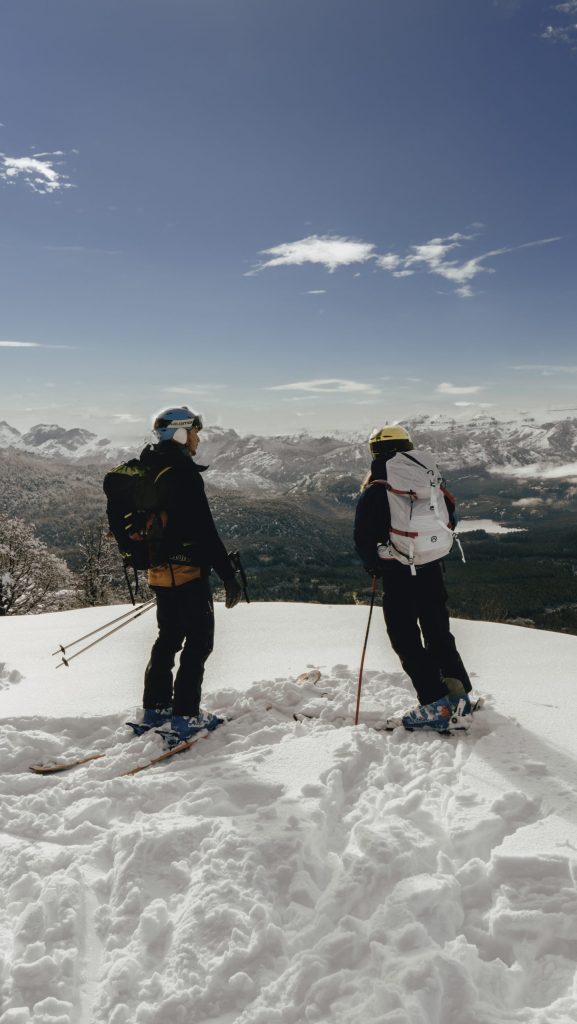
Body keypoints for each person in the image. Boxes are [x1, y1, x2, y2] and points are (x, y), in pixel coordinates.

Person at [354, 424, 472, 731]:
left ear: (375, 453)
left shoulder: (378, 488)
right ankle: (459, 698)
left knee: (405, 638)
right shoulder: (429, 480)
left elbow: (364, 538)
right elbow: (449, 519)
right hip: (432, 569)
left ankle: (435, 704)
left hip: (399, 575)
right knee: (438, 634)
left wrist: (375, 566)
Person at [136, 406, 242, 741]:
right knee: (199, 641)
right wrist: (228, 575)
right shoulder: (183, 471)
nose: (198, 438)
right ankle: (185, 715)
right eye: (194, 432)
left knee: (168, 638)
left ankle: (154, 709)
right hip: (188, 571)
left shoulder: (147, 464)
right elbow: (205, 530)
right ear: (181, 433)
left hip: (157, 570)